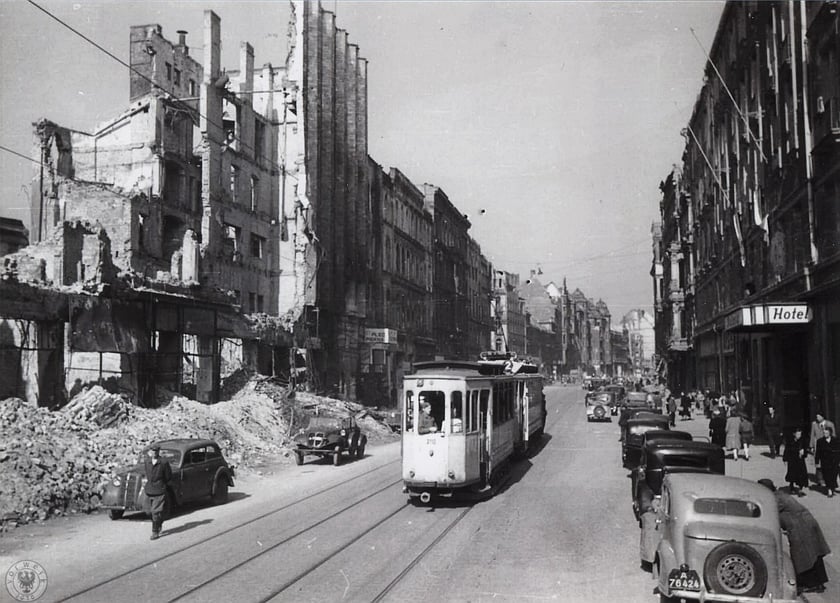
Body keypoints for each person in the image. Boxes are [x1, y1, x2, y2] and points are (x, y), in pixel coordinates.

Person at [757, 479, 830, 594]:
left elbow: (767, 512)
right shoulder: (780, 495)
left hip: (800, 526)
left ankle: (811, 584)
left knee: (803, 556)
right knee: (814, 554)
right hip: (806, 523)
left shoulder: (775, 499)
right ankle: (818, 583)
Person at [144, 444, 172, 540]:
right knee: (150, 512)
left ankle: (155, 532)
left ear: (158, 451)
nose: (154, 453)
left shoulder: (163, 462)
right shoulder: (147, 462)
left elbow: (168, 476)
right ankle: (158, 523)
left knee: (155, 511)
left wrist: (162, 484)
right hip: (150, 490)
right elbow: (148, 474)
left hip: (159, 489)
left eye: (156, 451)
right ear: (150, 452)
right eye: (152, 451)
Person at [815, 424, 840, 497]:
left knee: (833, 475)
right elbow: (818, 452)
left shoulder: (836, 440)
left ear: (830, 433)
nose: (825, 434)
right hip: (825, 461)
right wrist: (817, 461)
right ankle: (829, 490)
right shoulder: (820, 441)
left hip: (834, 461)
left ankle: (832, 488)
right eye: (824, 433)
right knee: (827, 476)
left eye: (826, 433)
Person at [784, 427, 810, 495]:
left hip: (800, 460)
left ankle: (800, 489)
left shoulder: (802, 441)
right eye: (798, 434)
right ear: (794, 434)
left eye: (800, 434)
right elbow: (786, 450)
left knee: (801, 475)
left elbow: (805, 450)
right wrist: (785, 459)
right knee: (792, 474)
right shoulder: (790, 441)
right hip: (792, 460)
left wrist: (804, 452)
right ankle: (791, 486)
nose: (799, 436)